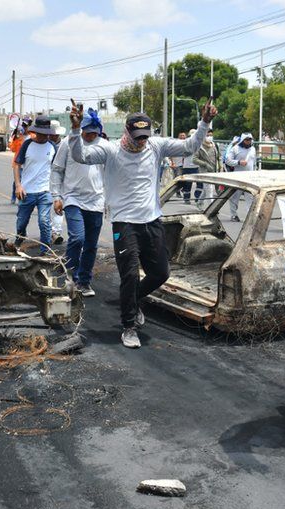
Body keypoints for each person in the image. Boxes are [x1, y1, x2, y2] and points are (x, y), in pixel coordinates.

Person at [69, 100, 217, 348]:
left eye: (144, 137)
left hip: (151, 221)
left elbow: (190, 146)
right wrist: (75, 131)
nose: (141, 142)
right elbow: (80, 155)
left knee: (161, 273)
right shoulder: (110, 150)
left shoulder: (156, 146)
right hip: (124, 223)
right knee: (129, 275)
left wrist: (205, 122)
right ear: (127, 132)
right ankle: (129, 327)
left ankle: (132, 299)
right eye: (137, 137)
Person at [51, 108, 105, 296]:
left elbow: (110, 175)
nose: (90, 135)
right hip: (72, 198)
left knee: (91, 244)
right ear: (80, 128)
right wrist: (57, 196)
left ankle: (84, 281)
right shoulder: (69, 142)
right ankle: (68, 275)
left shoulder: (104, 145)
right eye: (87, 131)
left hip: (96, 201)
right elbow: (57, 169)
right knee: (77, 238)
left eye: (94, 132)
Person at [13, 115, 57, 256]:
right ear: (35, 131)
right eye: (41, 133)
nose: (43, 136)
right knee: (21, 222)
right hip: (27, 191)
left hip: (45, 191)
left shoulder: (52, 147)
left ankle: (46, 251)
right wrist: (18, 186)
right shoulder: (27, 144)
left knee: (44, 222)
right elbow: (17, 165)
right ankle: (20, 237)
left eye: (46, 134)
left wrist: (57, 193)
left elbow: (57, 170)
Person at [224, 133, 255, 221]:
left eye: (250, 139)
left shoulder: (253, 149)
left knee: (250, 197)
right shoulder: (235, 149)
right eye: (246, 139)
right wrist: (238, 162)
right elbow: (228, 161)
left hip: (250, 177)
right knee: (235, 196)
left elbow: (254, 163)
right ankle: (233, 214)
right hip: (238, 176)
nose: (248, 141)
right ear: (242, 140)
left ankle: (250, 216)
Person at [192, 128, 219, 206]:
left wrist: (220, 167)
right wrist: (205, 164)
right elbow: (194, 159)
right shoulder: (199, 147)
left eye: (211, 135)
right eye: (207, 135)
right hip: (205, 172)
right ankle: (212, 207)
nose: (209, 137)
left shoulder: (215, 145)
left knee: (206, 189)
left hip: (214, 171)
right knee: (209, 190)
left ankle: (199, 202)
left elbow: (218, 157)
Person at [179, 129, 201, 204]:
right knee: (187, 184)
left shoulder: (199, 144)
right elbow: (182, 153)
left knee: (200, 183)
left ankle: (197, 197)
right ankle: (186, 198)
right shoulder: (185, 144)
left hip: (196, 167)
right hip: (187, 167)